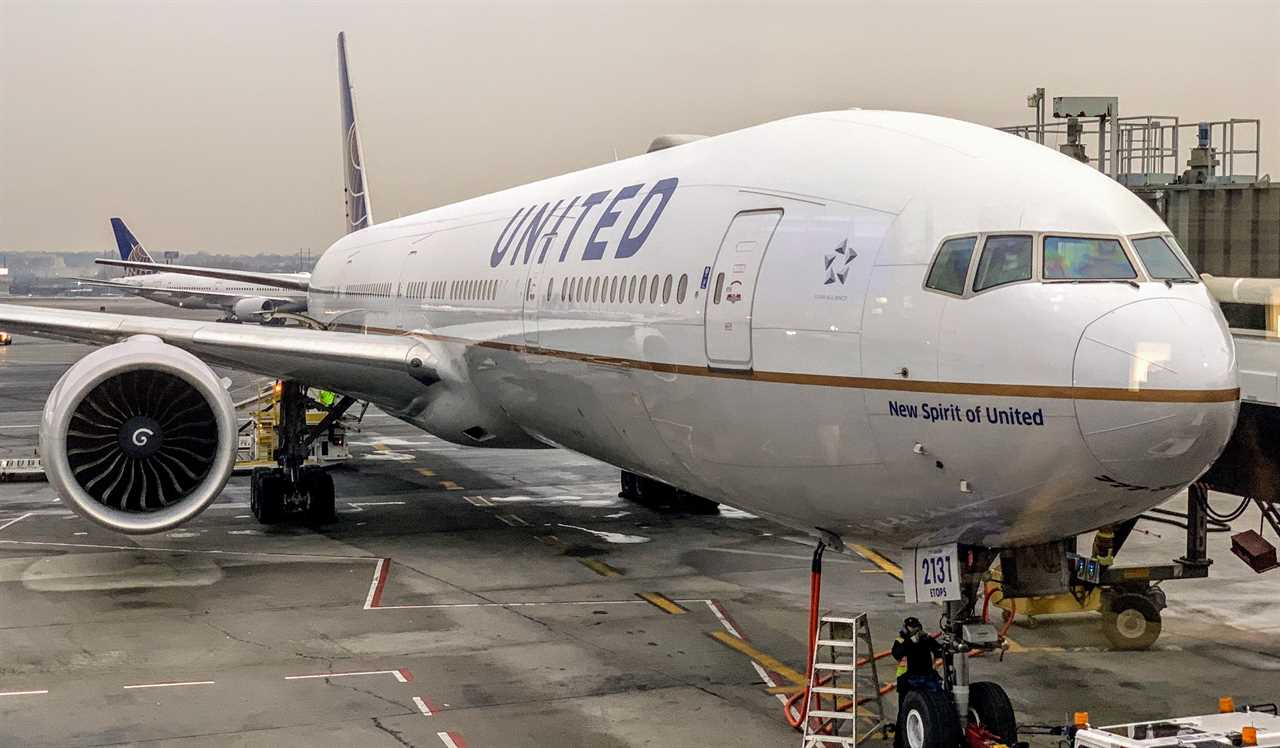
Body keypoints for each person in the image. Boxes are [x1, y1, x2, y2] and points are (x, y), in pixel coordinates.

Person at [892, 616, 944, 747]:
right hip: (907, 681)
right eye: (912, 628)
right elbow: (897, 653)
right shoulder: (901, 640)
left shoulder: (924, 639)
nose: (915, 630)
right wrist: (911, 641)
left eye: (916, 627)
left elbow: (939, 651)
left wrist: (932, 642)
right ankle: (900, 743)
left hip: (925, 678)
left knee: (930, 708)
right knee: (904, 713)